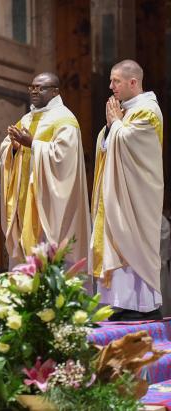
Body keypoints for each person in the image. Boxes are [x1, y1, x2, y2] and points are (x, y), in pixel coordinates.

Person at [90, 59, 164, 321]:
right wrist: (111, 128)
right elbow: (108, 144)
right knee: (116, 241)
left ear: (133, 82)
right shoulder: (125, 112)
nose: (111, 87)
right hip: (119, 196)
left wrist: (116, 125)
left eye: (116, 81)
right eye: (111, 81)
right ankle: (120, 303)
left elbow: (134, 145)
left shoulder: (148, 111)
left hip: (137, 199)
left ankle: (141, 305)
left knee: (132, 245)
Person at [0, 72, 90, 267]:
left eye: (40, 88)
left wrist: (32, 144)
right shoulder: (26, 119)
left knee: (48, 258)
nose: (34, 91)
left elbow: (64, 160)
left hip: (47, 204)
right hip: (24, 202)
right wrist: (14, 148)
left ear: (55, 91)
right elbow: (8, 146)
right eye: (32, 87)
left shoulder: (65, 119)